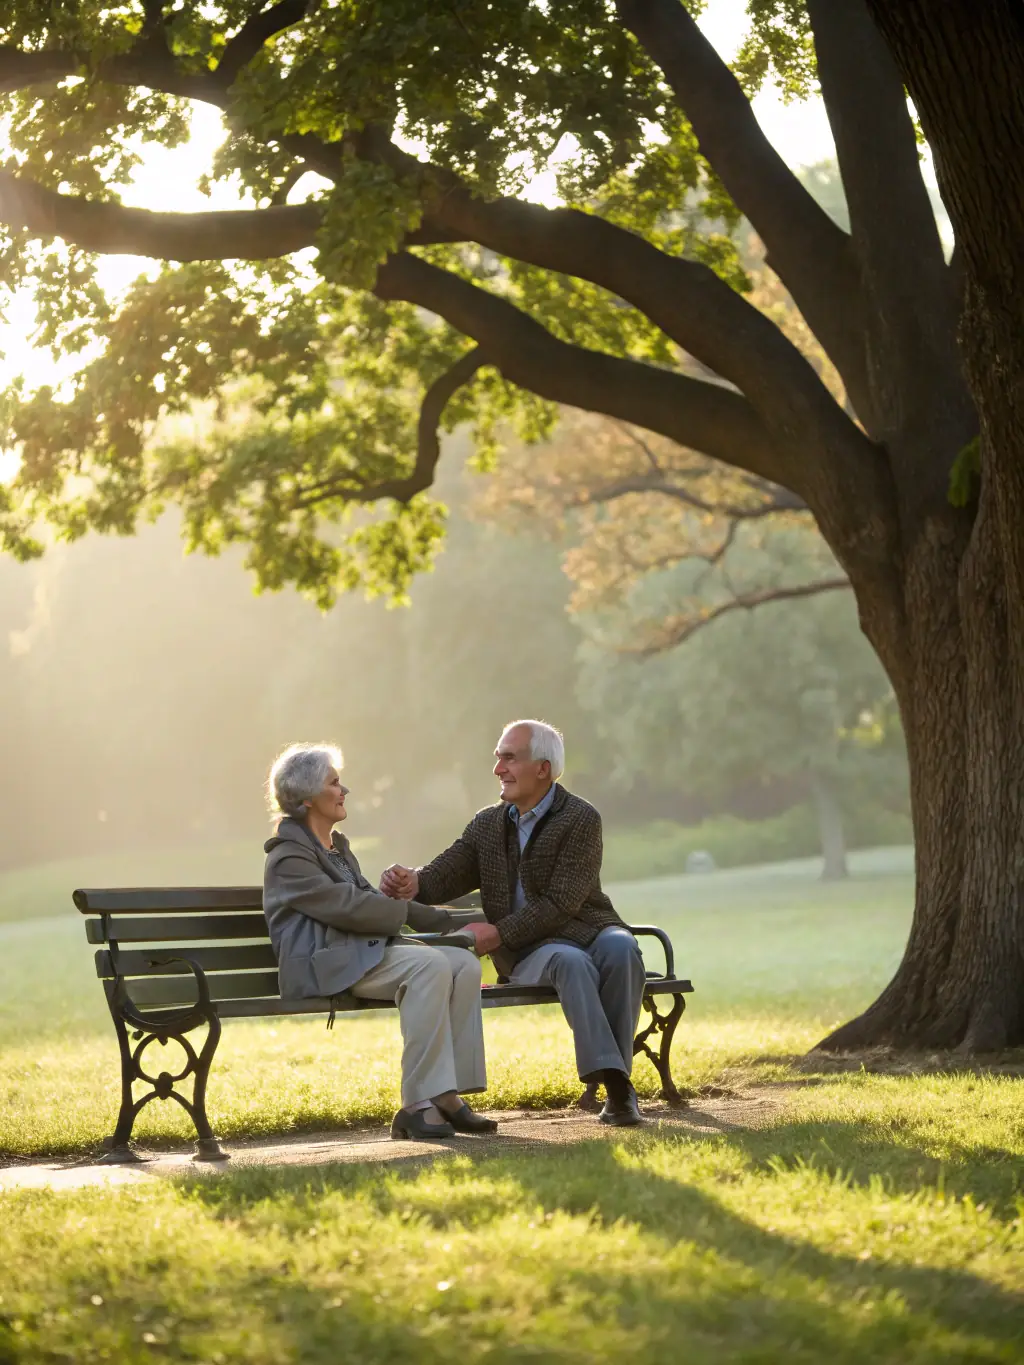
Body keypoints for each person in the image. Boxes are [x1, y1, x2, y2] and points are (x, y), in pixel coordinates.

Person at [381, 720, 647, 1126]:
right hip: (531, 950)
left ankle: (616, 1082)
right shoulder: (487, 823)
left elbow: (562, 901)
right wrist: (413, 880)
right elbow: (445, 873)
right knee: (569, 962)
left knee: (623, 946)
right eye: (498, 758)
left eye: (509, 757)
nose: (498, 768)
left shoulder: (580, 818)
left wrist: (499, 932)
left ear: (543, 768)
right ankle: (618, 1086)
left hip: (587, 927)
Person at [262, 742, 496, 1141]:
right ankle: (417, 1106)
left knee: (462, 964)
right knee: (431, 965)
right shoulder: (289, 859)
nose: (344, 791)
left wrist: (455, 923)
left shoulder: (337, 850)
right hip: (328, 965)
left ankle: (446, 1094)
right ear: (307, 799)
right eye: (335, 783)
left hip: (361, 956)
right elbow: (349, 907)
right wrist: (418, 917)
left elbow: (376, 903)